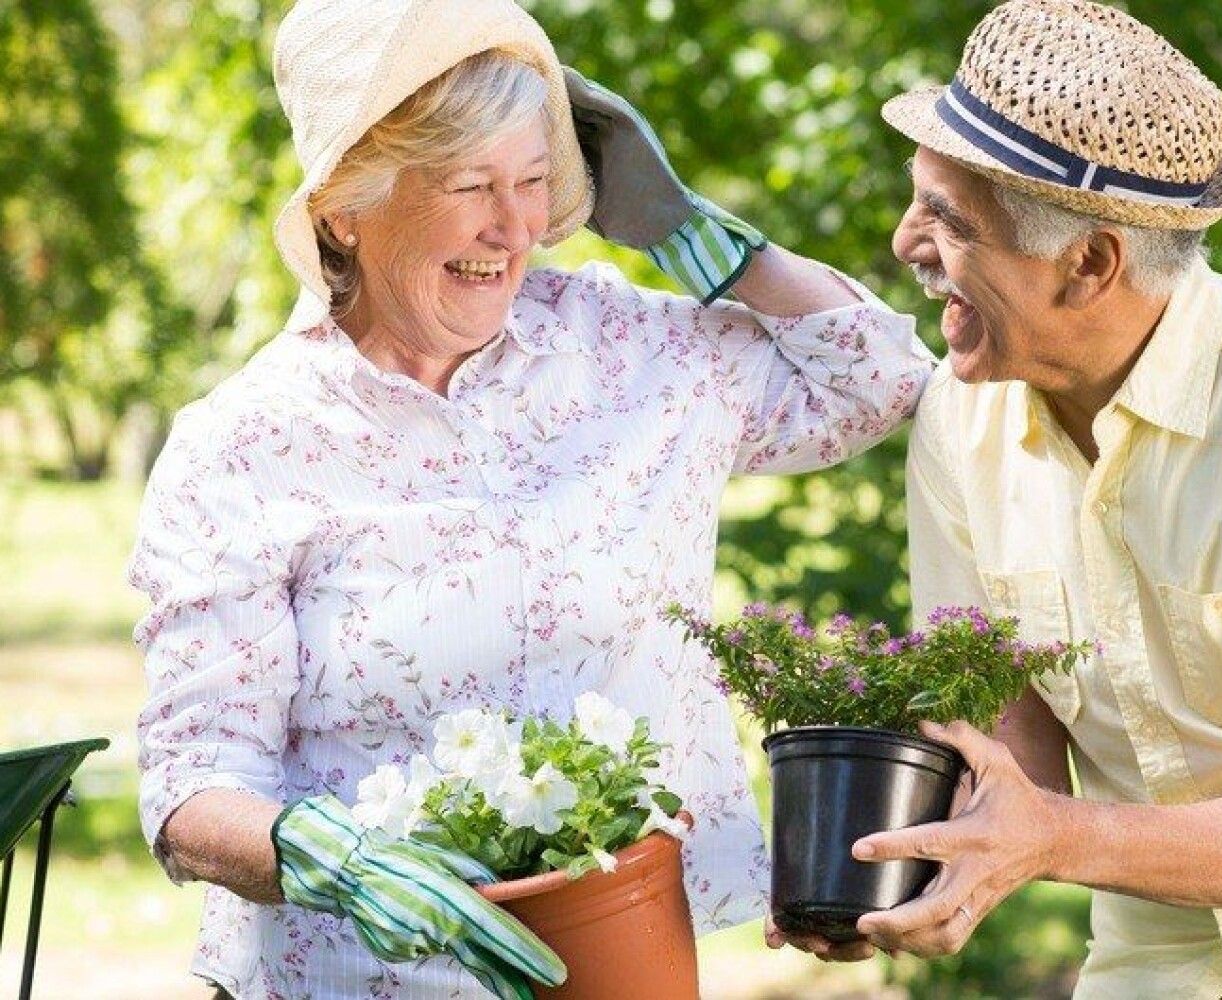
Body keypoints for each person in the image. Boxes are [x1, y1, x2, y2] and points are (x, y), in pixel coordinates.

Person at [129, 1, 932, 996]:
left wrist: (697, 238)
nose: (513, 230)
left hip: (617, 965)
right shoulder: (242, 446)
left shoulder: (629, 352)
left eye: (537, 182)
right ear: (344, 208)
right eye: (472, 186)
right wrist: (333, 861)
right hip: (348, 978)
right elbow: (193, 784)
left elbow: (877, 379)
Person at [768, 1, 1222, 996]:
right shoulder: (958, 421)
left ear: (1092, 263)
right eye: (919, 200)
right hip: (1161, 965)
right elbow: (1008, 747)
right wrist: (889, 865)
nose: (906, 242)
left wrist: (1049, 839)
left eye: (949, 219)